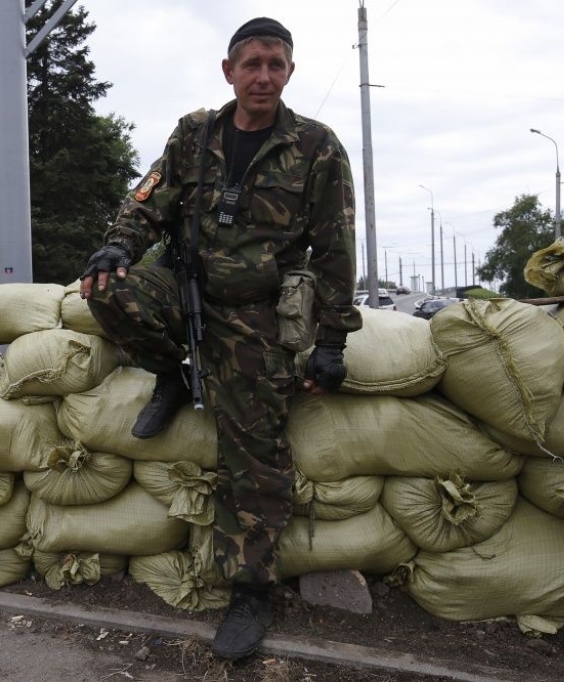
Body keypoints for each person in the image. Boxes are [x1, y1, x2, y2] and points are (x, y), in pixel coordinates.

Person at [79, 17, 362, 660]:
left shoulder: (316, 146)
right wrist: (118, 246)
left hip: (256, 317)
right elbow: (147, 201)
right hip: (183, 293)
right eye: (252, 63)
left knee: (254, 456)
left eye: (276, 64)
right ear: (229, 70)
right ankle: (171, 374)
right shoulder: (194, 133)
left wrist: (332, 340)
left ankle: (251, 590)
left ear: (290, 73)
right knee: (102, 288)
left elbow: (335, 247)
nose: (263, 76)